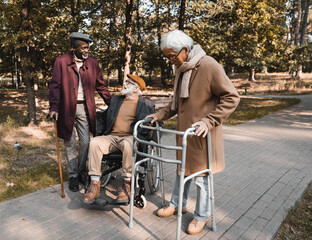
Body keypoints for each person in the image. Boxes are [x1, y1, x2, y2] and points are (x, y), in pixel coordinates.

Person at [146, 30, 240, 235]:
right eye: (167, 56)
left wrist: (210, 121)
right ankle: (177, 203)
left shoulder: (209, 65)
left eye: (172, 56)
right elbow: (175, 103)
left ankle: (201, 216)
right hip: (185, 134)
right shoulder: (182, 68)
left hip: (202, 134)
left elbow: (232, 97)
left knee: (201, 177)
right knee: (182, 171)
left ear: (186, 50)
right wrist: (159, 115)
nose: (170, 60)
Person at [48, 32, 111, 192]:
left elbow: (101, 85)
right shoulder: (61, 61)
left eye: (87, 48)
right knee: (70, 143)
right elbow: (54, 85)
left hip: (84, 107)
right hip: (66, 109)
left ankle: (82, 171)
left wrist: (112, 103)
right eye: (83, 48)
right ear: (73, 48)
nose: (86, 51)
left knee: (86, 142)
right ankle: (73, 176)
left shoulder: (93, 63)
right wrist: (54, 108)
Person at [82, 74, 156, 205]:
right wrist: (98, 133)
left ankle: (126, 184)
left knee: (128, 144)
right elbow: (103, 117)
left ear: (135, 88)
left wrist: (153, 139)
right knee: (94, 142)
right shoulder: (116, 100)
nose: (125, 84)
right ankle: (94, 184)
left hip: (130, 137)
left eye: (128, 82)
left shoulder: (146, 104)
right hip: (112, 137)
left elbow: (157, 122)